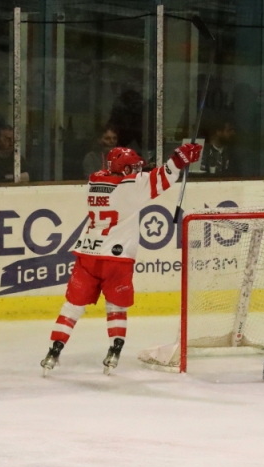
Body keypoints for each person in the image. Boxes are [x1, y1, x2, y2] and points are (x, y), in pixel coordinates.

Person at [40, 142, 202, 376]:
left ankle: (54, 350)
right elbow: (164, 176)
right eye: (133, 167)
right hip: (117, 259)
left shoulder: (95, 180)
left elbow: (128, 177)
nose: (137, 171)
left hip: (87, 254)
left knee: (72, 307)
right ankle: (115, 349)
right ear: (125, 170)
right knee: (116, 306)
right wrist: (178, 159)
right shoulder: (132, 187)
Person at [200, 112, 241, 177]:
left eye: (234, 130)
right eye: (229, 130)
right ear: (218, 132)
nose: (233, 133)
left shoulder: (231, 154)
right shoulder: (202, 153)